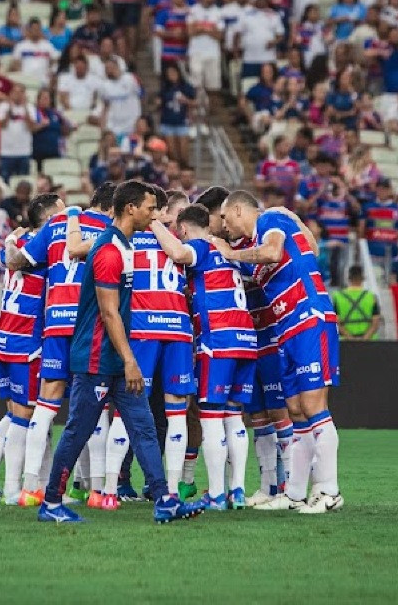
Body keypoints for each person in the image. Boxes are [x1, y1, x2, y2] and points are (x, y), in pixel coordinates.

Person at [36, 181, 207, 526]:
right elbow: (109, 312)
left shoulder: (122, 245)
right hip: (99, 358)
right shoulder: (110, 250)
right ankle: (51, 501)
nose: (154, 214)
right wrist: (130, 360)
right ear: (131, 208)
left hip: (113, 358)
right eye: (149, 208)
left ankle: (164, 500)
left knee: (143, 428)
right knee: (77, 431)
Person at [211, 190, 343, 514]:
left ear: (240, 210)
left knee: (313, 406)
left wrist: (230, 253)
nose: (225, 227)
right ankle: (295, 493)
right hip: (287, 327)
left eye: (226, 219)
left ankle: (329, 491)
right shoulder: (264, 234)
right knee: (296, 410)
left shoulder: (270, 220)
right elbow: (308, 248)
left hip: (309, 317)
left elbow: (272, 252)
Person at [8, 183, 116, 506]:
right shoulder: (111, 229)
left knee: (45, 405)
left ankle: (31, 488)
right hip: (88, 324)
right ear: (113, 208)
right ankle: (97, 490)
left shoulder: (56, 223)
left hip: (55, 322)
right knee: (95, 406)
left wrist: (10, 241)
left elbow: (18, 262)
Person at [151, 202, 257, 510]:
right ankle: (237, 491)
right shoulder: (227, 252)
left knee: (210, 418)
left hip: (219, 340)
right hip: (245, 340)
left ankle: (216, 494)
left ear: (183, 229)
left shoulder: (199, 245)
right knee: (235, 416)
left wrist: (156, 224)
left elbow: (180, 254)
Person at [0, 192, 64, 504]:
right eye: (62, 213)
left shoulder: (18, 242)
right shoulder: (46, 249)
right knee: (27, 417)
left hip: (3, 337)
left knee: (16, 416)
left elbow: (8, 253)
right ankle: (14, 490)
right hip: (26, 342)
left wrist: (12, 239)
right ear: (50, 219)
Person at [330, 265, 382, 340]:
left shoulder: (338, 297)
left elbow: (336, 322)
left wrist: (351, 339)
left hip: (345, 343)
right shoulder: (371, 297)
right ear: (363, 278)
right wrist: (364, 339)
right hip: (369, 343)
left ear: (349, 278)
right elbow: (375, 323)